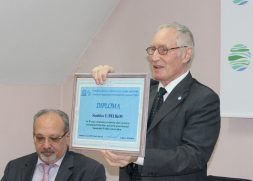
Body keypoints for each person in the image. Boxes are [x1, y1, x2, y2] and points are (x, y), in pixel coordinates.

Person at [92, 22, 220, 181]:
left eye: (163, 50)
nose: (154, 57)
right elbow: (116, 117)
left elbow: (193, 156)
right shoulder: (143, 90)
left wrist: (136, 156)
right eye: (152, 50)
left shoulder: (203, 99)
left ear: (186, 54)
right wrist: (108, 82)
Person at [1, 109, 106, 181]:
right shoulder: (14, 167)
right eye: (40, 138)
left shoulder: (90, 171)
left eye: (54, 138)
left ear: (68, 137)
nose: (46, 145)